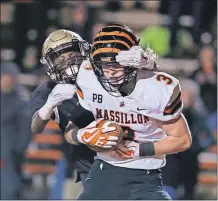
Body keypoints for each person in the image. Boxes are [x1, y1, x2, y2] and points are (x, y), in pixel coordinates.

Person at [65, 23, 192, 200]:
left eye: (116, 64)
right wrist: (82, 135)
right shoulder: (89, 80)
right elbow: (70, 131)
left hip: (145, 177)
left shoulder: (154, 88)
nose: (110, 72)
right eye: (104, 65)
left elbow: (183, 140)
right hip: (103, 172)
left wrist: (138, 149)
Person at [29, 29, 96, 189]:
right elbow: (36, 127)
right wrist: (48, 107)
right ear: (51, 64)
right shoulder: (48, 90)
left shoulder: (102, 77)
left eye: (72, 55)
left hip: (120, 159)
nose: (68, 62)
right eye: (61, 59)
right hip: (82, 165)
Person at [1, 62, 32, 199]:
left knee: (8, 189)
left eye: (9, 77)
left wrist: (16, 151)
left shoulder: (21, 101)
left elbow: (25, 132)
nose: (6, 80)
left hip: (9, 154)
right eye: (3, 76)